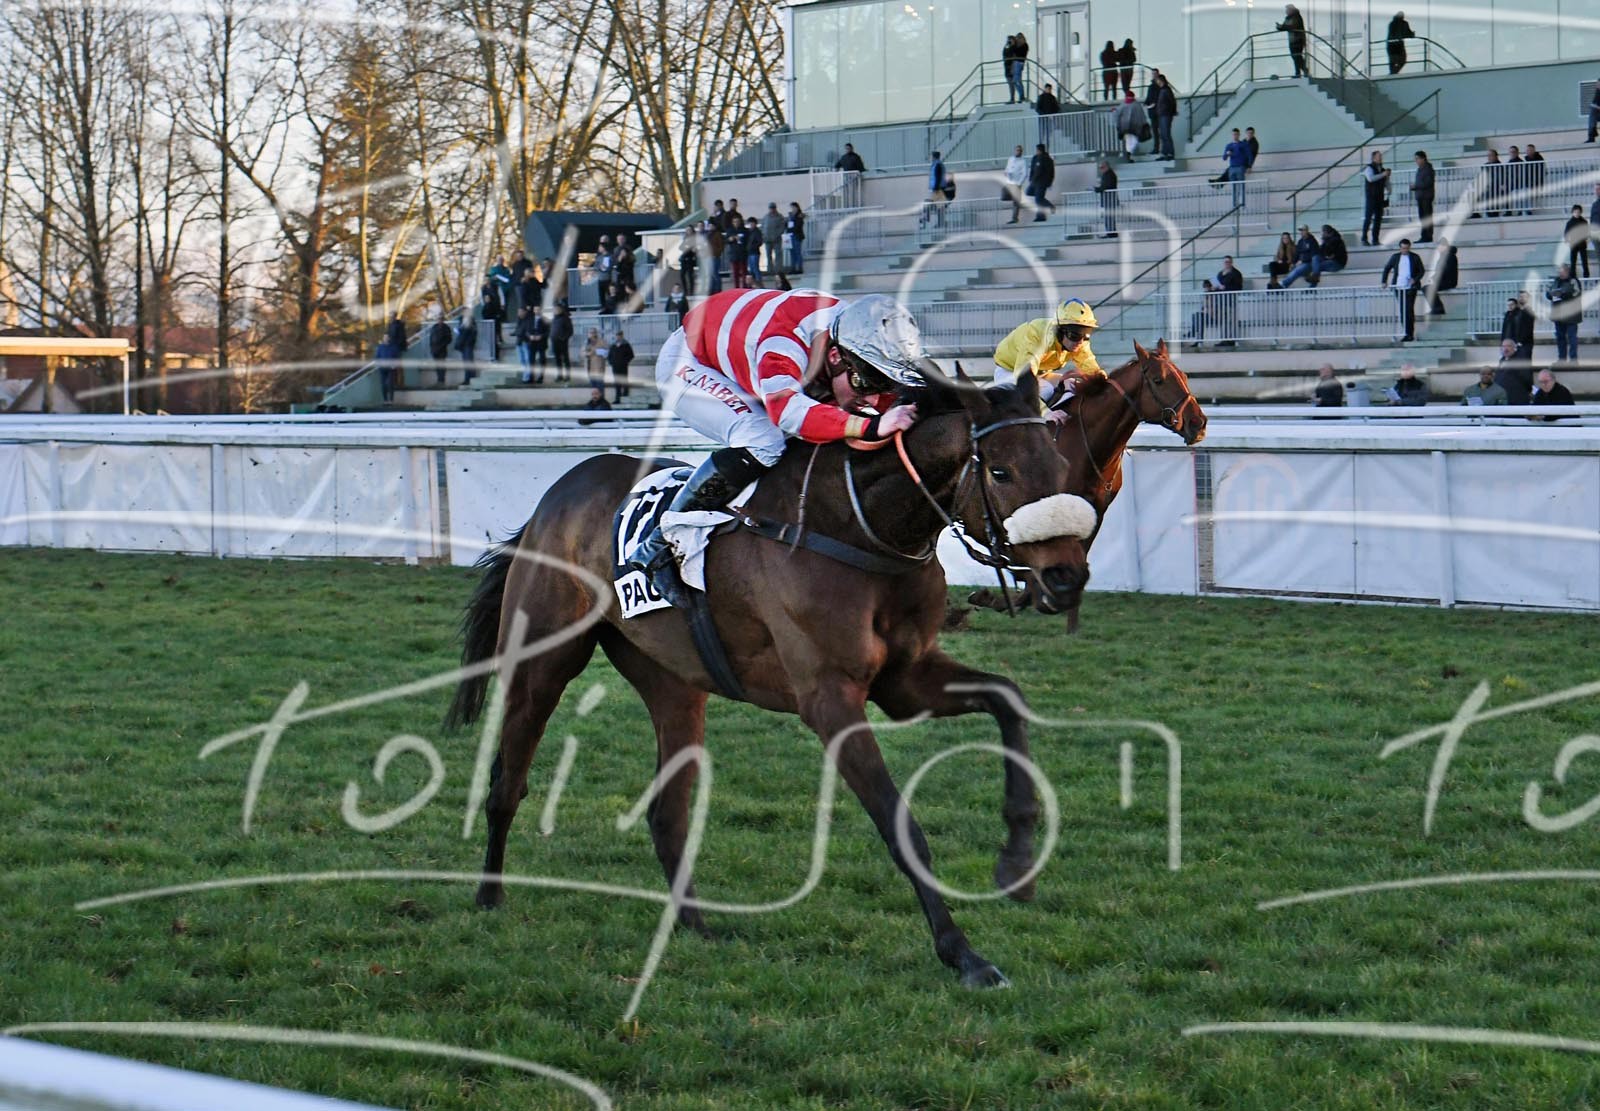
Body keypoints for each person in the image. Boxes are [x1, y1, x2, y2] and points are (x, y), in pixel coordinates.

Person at [628, 290, 928, 598]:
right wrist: (871, 425)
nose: (874, 400)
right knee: (763, 440)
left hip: (749, 352)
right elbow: (785, 411)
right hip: (691, 362)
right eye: (865, 385)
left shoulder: (863, 339)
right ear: (836, 357)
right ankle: (659, 545)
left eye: (883, 385)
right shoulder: (784, 342)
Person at [993, 299, 1102, 406]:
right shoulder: (1036, 334)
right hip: (1011, 372)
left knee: (1073, 385)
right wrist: (1046, 413)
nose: (1080, 342)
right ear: (1059, 331)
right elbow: (1025, 377)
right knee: (1046, 391)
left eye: (1086, 335)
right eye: (1074, 335)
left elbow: (1090, 367)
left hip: (1042, 374)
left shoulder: (1080, 343)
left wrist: (1104, 382)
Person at [1381, 238, 1426, 342]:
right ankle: (1406, 333)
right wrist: (1384, 281)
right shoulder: (1395, 257)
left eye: (1406, 248)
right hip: (1398, 288)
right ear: (1400, 248)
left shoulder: (1415, 257)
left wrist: (1414, 279)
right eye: (1403, 248)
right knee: (1403, 311)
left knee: (1409, 310)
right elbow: (1387, 268)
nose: (1405, 250)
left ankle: (1410, 333)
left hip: (1410, 288)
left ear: (1409, 247)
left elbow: (1421, 271)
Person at [1546, 263, 1582, 362]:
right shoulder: (1555, 281)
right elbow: (1548, 293)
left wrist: (1562, 293)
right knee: (1560, 338)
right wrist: (1551, 294)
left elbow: (1576, 293)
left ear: (1567, 271)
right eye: (1559, 272)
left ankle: (1573, 360)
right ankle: (1561, 360)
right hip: (1558, 315)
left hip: (1571, 315)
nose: (1560, 274)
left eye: (1562, 271)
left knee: (1572, 338)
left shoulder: (1573, 281)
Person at [1212, 255, 1244, 344]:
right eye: (1225, 262)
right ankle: (1224, 339)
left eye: (1228, 262)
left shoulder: (1236, 273)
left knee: (1230, 321)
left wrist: (1225, 288)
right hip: (1221, 301)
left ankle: (1231, 339)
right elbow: (1218, 286)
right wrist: (1215, 288)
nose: (1227, 264)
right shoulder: (1220, 273)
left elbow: (1238, 288)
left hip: (1230, 301)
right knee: (1223, 321)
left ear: (1231, 263)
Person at [1361, 150, 1390, 246]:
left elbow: (1386, 182)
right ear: (1373, 158)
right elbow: (1371, 178)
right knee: (1368, 217)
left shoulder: (1382, 169)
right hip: (1371, 197)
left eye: (1381, 156)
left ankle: (1375, 239)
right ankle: (1364, 238)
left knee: (1378, 218)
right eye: (1379, 156)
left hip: (1380, 197)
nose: (1381, 158)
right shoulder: (1369, 168)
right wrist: (1383, 175)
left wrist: (1389, 188)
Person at [1494, 340, 1533, 405]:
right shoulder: (1502, 361)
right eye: (1503, 346)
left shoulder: (1519, 361)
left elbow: (1527, 379)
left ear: (1514, 348)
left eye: (1508, 346)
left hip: (1516, 400)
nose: (1505, 349)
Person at [1148, 74, 1177, 161]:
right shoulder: (1162, 90)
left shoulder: (1166, 90)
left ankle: (1170, 153)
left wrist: (1172, 111)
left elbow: (1172, 101)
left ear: (1161, 80)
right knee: (1163, 135)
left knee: (1166, 134)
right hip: (1162, 115)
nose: (1156, 82)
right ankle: (1165, 153)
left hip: (1166, 114)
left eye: (1157, 80)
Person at [1426, 236, 1457, 317]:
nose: (1438, 248)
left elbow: (1446, 271)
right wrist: (1433, 278)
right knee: (1426, 288)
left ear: (1444, 246)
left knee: (1427, 289)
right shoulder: (1443, 256)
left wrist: (1435, 279)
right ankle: (1437, 308)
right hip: (1443, 280)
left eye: (1439, 246)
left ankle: (1438, 308)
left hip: (1449, 282)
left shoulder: (1449, 256)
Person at [1115, 91, 1148, 163]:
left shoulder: (1122, 105)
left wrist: (1118, 126)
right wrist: (1144, 123)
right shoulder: (1136, 104)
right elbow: (1142, 115)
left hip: (1125, 126)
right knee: (1133, 141)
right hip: (1134, 126)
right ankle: (1128, 155)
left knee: (1129, 141)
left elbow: (1117, 116)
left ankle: (1128, 155)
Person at [1501, 293, 1535, 363]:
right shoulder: (1508, 315)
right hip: (1510, 343)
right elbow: (1505, 329)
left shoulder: (1521, 314)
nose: (1510, 306)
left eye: (1512, 304)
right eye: (1508, 305)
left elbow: (1526, 329)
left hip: (1521, 343)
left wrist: (1520, 341)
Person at [1222, 128, 1251, 206]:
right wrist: (1227, 154)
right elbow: (1224, 158)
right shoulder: (1229, 145)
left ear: (1239, 135)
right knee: (1234, 187)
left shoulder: (1243, 144)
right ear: (1231, 135)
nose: (1235, 136)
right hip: (1232, 168)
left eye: (1236, 134)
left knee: (1242, 186)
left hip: (1240, 167)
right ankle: (1235, 204)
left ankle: (1242, 204)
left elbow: (1249, 155)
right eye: (1233, 134)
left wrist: (1249, 166)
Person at [1277, 5, 1307, 78]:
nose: (1286, 11)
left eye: (1287, 10)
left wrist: (1282, 27)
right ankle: (1301, 72)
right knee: (1295, 57)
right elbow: (1285, 27)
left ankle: (1301, 72)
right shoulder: (1288, 18)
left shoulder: (1296, 17)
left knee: (1297, 57)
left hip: (1298, 40)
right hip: (1292, 40)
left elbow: (1292, 26)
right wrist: (1279, 27)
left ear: (1291, 10)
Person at [1028, 143, 1055, 221]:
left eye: (1037, 150)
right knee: (1032, 194)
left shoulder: (1046, 159)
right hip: (1036, 182)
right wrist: (1031, 178)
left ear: (1040, 150)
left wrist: (1049, 182)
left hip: (1041, 182)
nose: (1037, 151)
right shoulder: (1035, 158)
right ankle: (1049, 206)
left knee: (1038, 200)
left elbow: (1049, 172)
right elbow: (1032, 169)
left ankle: (1041, 216)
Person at [1412, 151, 1435, 243]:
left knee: (1427, 217)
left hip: (1426, 197)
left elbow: (1428, 183)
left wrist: (1416, 186)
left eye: (1417, 159)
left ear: (1423, 159)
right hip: (1420, 197)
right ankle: (1424, 236)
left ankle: (1428, 236)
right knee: (1422, 218)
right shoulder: (1420, 169)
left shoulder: (1428, 169)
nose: (1416, 161)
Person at [1473, 149, 1503, 219]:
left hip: (1496, 187)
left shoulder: (1500, 166)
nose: (1489, 157)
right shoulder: (1485, 166)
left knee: (1491, 193)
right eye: (1488, 156)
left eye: (1491, 155)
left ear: (1496, 156)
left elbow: (1500, 178)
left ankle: (1492, 213)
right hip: (1486, 186)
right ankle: (1475, 213)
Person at [478, 281, 503, 360]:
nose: (486, 299)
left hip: (493, 326)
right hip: (489, 326)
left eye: (487, 298)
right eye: (485, 298)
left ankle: (496, 355)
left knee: (494, 341)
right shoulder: (485, 306)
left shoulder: (492, 306)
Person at [925, 151, 950, 229]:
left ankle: (927, 219)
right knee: (939, 206)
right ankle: (940, 223)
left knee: (929, 204)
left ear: (934, 157)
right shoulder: (938, 164)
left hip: (938, 189)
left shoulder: (937, 165)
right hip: (938, 188)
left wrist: (935, 188)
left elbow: (938, 177)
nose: (931, 158)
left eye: (931, 156)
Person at [608, 329, 635, 403]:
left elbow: (631, 355)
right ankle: (618, 399)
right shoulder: (613, 345)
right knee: (617, 383)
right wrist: (612, 363)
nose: (618, 336)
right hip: (615, 367)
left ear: (622, 335)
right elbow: (609, 356)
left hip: (623, 367)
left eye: (620, 335)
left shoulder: (626, 344)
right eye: (617, 335)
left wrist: (625, 362)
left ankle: (625, 397)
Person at [1003, 144, 1028, 224]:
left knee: (1016, 201)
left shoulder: (1023, 161)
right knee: (1004, 196)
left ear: (1021, 152)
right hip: (1009, 182)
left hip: (1017, 183)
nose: (1018, 152)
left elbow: (1024, 174)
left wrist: (1019, 183)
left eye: (1019, 150)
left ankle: (1014, 218)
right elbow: (1007, 169)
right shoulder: (1010, 159)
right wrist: (1006, 173)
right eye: (1017, 150)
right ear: (1014, 151)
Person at [1094, 159, 1118, 238]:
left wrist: (1097, 189)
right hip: (1108, 199)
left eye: (1102, 167)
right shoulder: (1108, 174)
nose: (1101, 169)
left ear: (1106, 166)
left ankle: (1111, 233)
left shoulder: (1109, 174)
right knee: (1108, 217)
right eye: (1100, 168)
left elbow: (1107, 186)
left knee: (1109, 217)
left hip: (1110, 199)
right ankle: (1110, 233)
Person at [1566, 205, 1591, 278]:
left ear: (1581, 212)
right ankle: (1573, 276)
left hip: (1582, 243)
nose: (1577, 213)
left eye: (1578, 212)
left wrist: (1587, 238)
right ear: (1572, 212)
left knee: (1584, 261)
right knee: (1573, 261)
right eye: (1575, 212)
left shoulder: (1584, 221)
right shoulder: (1570, 222)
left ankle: (1586, 276)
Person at [549, 304, 573, 382]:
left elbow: (570, 331)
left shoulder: (566, 318)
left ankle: (568, 376)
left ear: (561, 310)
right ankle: (560, 375)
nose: (555, 311)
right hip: (554, 342)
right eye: (554, 309)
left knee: (565, 359)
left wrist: (563, 338)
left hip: (562, 342)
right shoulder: (553, 319)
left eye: (557, 309)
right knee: (557, 359)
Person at [514, 306, 537, 383]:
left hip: (525, 342)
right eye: (518, 312)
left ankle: (526, 377)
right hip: (519, 342)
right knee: (521, 360)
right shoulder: (519, 320)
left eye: (521, 312)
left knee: (527, 360)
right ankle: (525, 375)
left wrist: (520, 333)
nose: (519, 313)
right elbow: (517, 330)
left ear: (525, 312)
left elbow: (527, 331)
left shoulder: (529, 320)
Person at [762, 203, 786, 278]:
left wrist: (777, 235)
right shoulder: (765, 217)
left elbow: (782, 227)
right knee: (768, 255)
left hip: (777, 239)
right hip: (767, 240)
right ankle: (770, 270)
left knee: (778, 255)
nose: (772, 209)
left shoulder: (780, 217)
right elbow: (762, 227)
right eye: (771, 208)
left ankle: (778, 270)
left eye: (773, 208)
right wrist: (764, 236)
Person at [427, 312, 451, 385]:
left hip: (442, 350)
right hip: (434, 350)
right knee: (437, 366)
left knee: (442, 366)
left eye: (441, 318)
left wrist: (442, 345)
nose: (440, 320)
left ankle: (441, 381)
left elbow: (449, 339)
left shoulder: (446, 328)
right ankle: (439, 380)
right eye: (438, 318)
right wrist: (431, 348)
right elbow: (431, 338)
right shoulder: (434, 327)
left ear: (443, 319)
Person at [454, 313, 478, 383]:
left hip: (467, 345)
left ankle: (469, 378)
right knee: (467, 362)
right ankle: (469, 378)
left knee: (468, 361)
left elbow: (469, 334)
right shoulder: (463, 323)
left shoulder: (469, 324)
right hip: (464, 345)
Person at [784, 203, 806, 275]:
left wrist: (791, 228)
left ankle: (799, 268)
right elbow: (787, 225)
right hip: (790, 236)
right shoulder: (790, 216)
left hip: (797, 236)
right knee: (792, 253)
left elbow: (798, 226)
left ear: (797, 208)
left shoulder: (799, 216)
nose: (792, 209)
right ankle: (793, 268)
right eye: (791, 208)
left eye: (793, 207)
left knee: (797, 252)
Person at [743, 216, 764, 288]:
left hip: (755, 252)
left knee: (755, 268)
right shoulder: (749, 232)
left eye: (752, 223)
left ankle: (759, 283)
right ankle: (754, 284)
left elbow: (759, 242)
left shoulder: (757, 232)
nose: (751, 225)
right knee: (752, 269)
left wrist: (752, 247)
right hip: (750, 252)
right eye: (750, 224)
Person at [613, 234, 636, 299]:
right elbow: (615, 262)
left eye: (622, 239)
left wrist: (627, 256)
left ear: (625, 240)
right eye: (619, 239)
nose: (620, 240)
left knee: (629, 290)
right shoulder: (616, 249)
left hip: (628, 274)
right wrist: (620, 258)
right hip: (619, 273)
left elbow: (633, 260)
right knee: (620, 290)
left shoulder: (629, 248)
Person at [1011, 32, 1030, 101]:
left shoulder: (1024, 45)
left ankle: (1022, 96)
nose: (1017, 39)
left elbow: (1018, 53)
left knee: (1017, 81)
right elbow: (1013, 52)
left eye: (1018, 38)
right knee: (1016, 81)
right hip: (1017, 63)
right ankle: (1021, 95)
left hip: (1019, 63)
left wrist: (1014, 45)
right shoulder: (1019, 45)